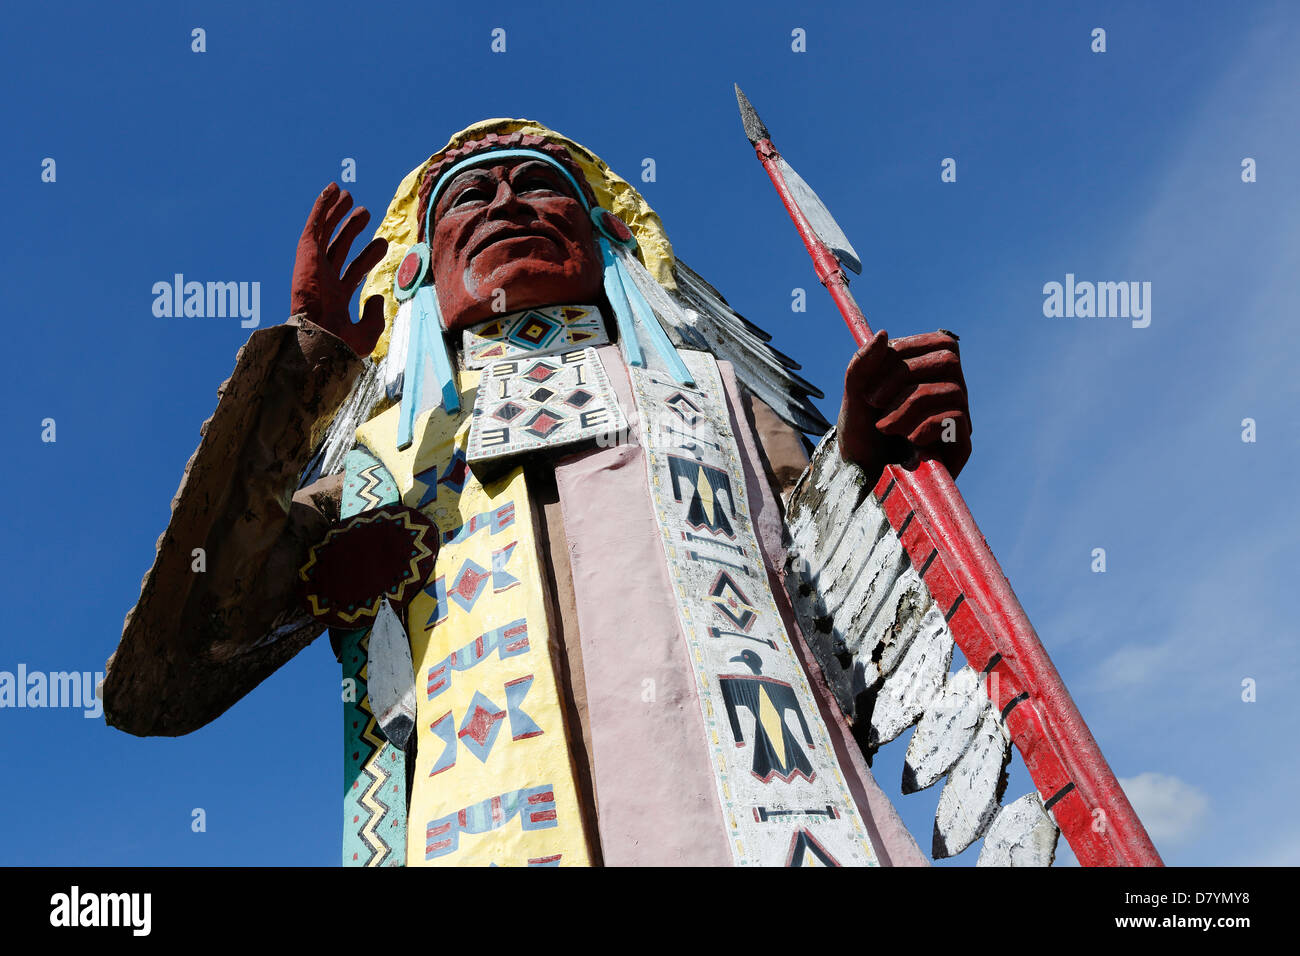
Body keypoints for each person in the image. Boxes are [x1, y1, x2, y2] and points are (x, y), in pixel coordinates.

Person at [104, 119, 971, 867]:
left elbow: (827, 591)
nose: (506, 204)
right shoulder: (384, 460)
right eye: (470, 195)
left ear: (607, 238)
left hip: (756, 815)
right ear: (416, 273)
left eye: (540, 187)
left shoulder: (713, 399)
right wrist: (305, 371)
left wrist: (876, 458)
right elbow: (180, 662)